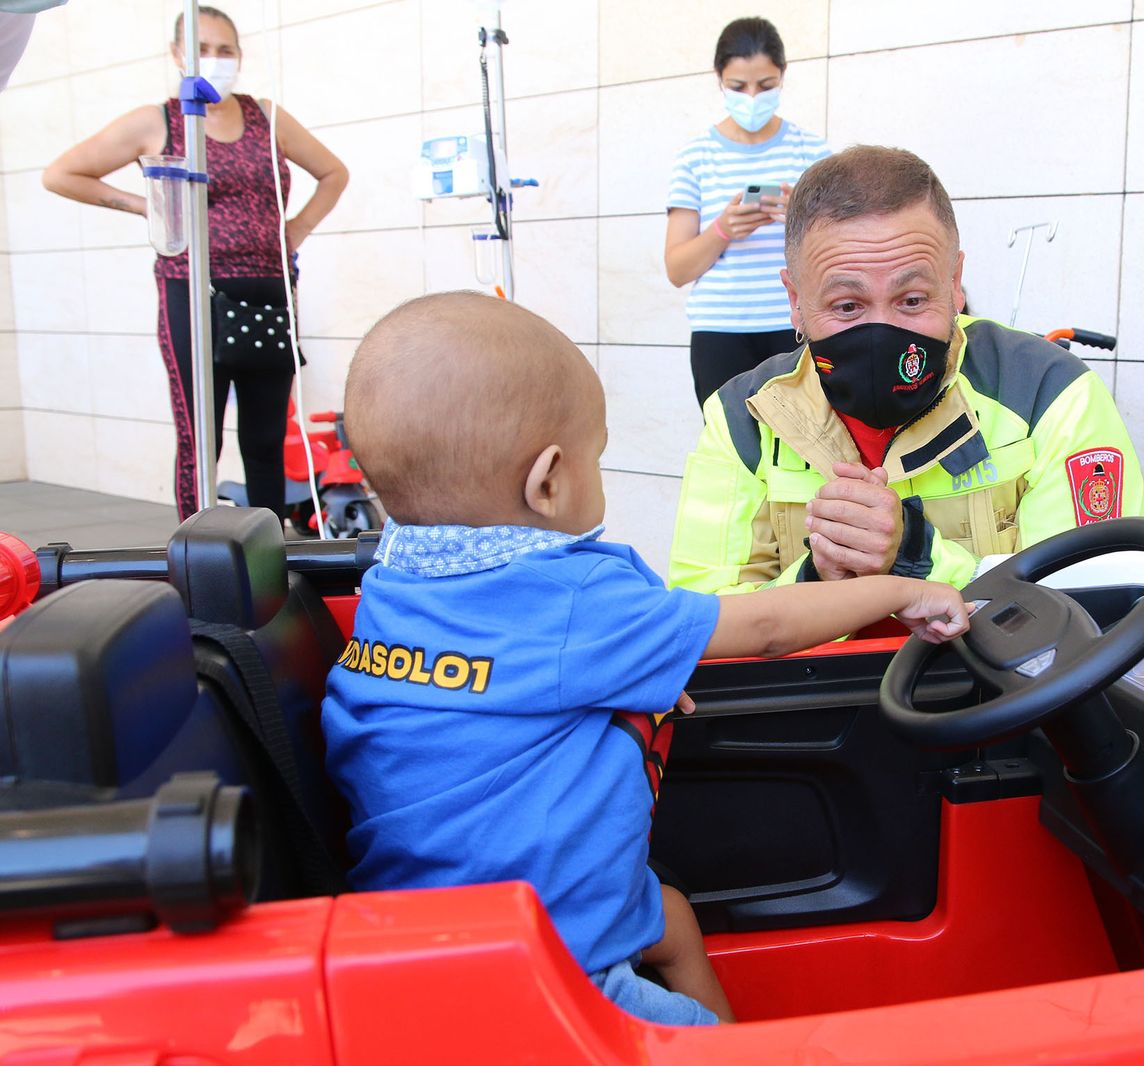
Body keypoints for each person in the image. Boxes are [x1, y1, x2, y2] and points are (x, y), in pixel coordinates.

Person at [323, 292, 972, 1026]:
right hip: (556, 969)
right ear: (549, 482)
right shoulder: (575, 598)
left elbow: (501, 697)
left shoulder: (394, 584)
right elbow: (763, 627)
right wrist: (901, 587)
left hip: (419, 931)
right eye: (597, 458)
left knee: (672, 919)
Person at [668, 146, 1144, 595]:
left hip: (1002, 686)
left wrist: (914, 553)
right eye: (848, 305)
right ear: (796, 301)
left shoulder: (1049, 393)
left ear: (955, 284)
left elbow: (1087, 605)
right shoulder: (744, 418)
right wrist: (817, 578)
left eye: (912, 300)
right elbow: (705, 618)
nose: (882, 331)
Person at [41, 5, 347, 520]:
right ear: (178, 54)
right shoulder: (159, 120)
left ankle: (272, 550)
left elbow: (333, 172)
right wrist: (151, 208)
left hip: (268, 288)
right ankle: (197, 547)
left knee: (266, 434)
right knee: (198, 434)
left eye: (225, 50)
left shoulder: (266, 117)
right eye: (202, 49)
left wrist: (297, 228)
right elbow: (62, 174)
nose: (215, 59)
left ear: (240, 57)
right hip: (192, 291)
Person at [664, 17, 831, 409]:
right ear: (719, 78)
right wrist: (722, 229)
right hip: (719, 333)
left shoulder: (812, 151)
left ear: (782, 76)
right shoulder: (695, 157)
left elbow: (841, 248)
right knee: (731, 451)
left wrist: (802, 217)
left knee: (806, 447)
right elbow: (677, 269)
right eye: (739, 87)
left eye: (766, 86)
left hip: (795, 324)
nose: (752, 97)